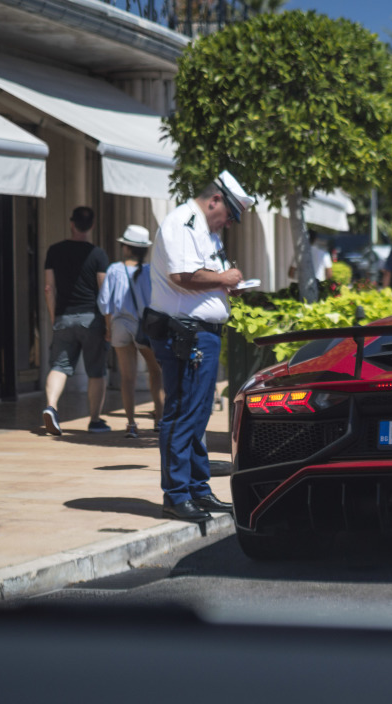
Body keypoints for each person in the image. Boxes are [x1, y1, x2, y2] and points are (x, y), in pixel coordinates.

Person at [147, 171, 253, 522]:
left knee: (197, 413)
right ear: (215, 201)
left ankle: (198, 490)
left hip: (199, 333)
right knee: (182, 413)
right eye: (230, 216)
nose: (230, 224)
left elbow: (201, 277)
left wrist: (225, 286)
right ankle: (176, 494)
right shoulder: (184, 223)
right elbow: (182, 276)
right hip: (185, 332)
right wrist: (223, 279)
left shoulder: (204, 230)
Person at [42, 206, 111, 435]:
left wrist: (55, 317)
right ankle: (95, 420)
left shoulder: (54, 251)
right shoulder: (98, 254)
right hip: (91, 318)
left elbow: (49, 288)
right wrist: (108, 324)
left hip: (64, 316)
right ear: (91, 226)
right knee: (96, 371)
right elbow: (104, 290)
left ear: (72, 223)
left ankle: (51, 406)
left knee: (59, 366)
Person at [98, 225, 164, 439]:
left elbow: (104, 304)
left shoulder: (114, 270)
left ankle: (131, 424)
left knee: (128, 378)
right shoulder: (149, 271)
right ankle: (159, 419)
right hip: (145, 326)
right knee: (156, 372)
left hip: (119, 325)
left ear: (126, 248)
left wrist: (108, 329)